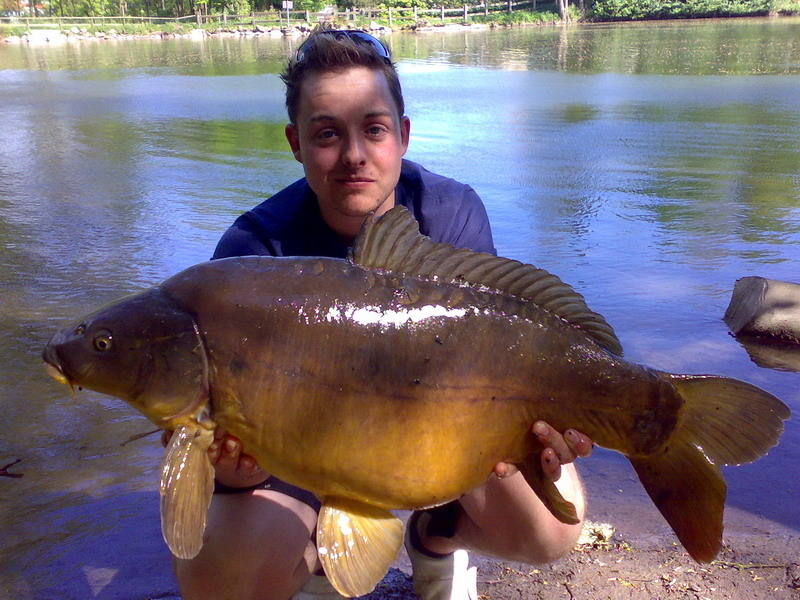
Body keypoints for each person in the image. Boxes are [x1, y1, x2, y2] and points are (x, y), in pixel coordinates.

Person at [173, 28, 594, 600]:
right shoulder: (251, 253)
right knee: (216, 583)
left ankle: (435, 536)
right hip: (303, 458)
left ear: (402, 135)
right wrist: (231, 472)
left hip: (430, 442)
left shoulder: (451, 214)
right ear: (295, 143)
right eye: (327, 135)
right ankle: (316, 558)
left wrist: (543, 421)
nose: (353, 156)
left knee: (553, 530)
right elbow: (219, 442)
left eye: (373, 129)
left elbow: (498, 357)